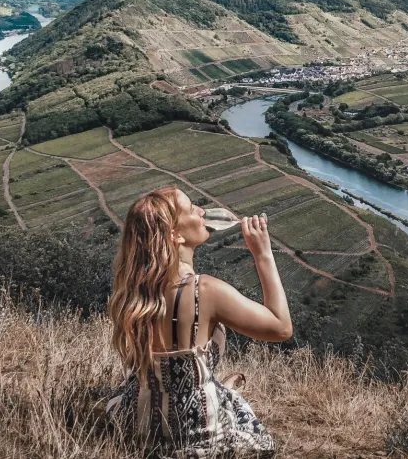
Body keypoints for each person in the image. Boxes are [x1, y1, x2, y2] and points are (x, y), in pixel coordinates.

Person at [107, 186, 292, 458]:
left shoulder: (133, 290)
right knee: (260, 440)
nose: (202, 211)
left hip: (139, 429)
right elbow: (281, 328)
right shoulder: (204, 291)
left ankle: (215, 385)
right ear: (175, 235)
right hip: (196, 435)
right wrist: (263, 254)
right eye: (192, 209)